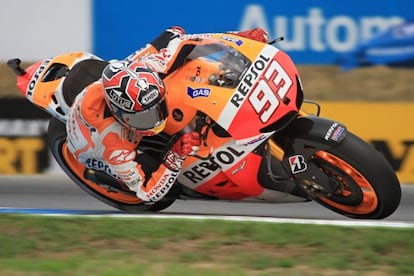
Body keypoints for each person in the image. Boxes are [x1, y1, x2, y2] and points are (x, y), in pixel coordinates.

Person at [66, 26, 269, 204]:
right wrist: (174, 155)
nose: (156, 120)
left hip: (123, 81)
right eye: (143, 117)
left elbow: (186, 43)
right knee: (160, 180)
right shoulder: (111, 142)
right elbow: (147, 193)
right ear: (120, 113)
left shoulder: (150, 68)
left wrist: (239, 39)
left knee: (173, 34)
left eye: (157, 108)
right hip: (90, 144)